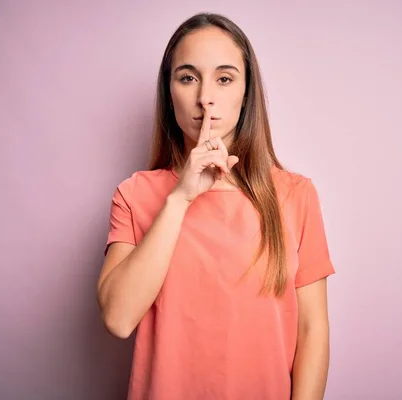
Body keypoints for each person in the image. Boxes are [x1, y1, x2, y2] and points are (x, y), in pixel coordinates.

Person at [96, 12, 335, 400]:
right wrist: (180, 198)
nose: (205, 96)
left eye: (224, 79)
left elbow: (312, 331)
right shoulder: (134, 195)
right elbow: (119, 319)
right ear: (168, 91)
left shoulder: (296, 195)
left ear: (246, 92)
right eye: (188, 77)